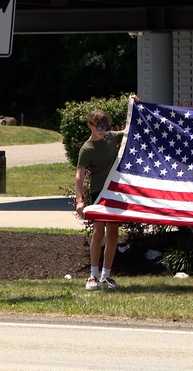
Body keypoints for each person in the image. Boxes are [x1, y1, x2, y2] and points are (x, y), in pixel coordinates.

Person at [75, 109, 125, 290]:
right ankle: (92, 276)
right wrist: (79, 200)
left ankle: (106, 276)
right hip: (99, 193)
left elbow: (130, 130)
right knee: (98, 231)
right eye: (99, 126)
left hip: (115, 192)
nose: (103, 130)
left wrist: (136, 104)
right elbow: (79, 176)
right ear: (90, 125)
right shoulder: (87, 149)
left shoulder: (111, 137)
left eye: (105, 126)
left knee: (113, 232)